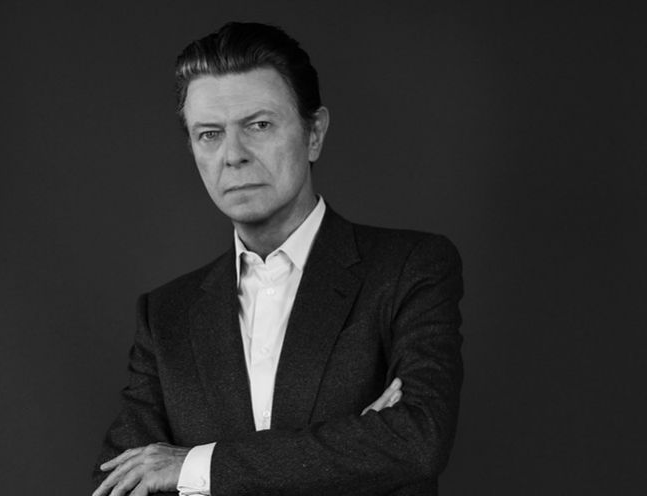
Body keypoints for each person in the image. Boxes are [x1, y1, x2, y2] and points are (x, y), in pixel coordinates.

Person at [92, 21, 463, 496]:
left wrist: (193, 467)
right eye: (209, 134)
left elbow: (416, 441)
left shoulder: (409, 268)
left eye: (259, 125)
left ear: (314, 133)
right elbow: (117, 485)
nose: (233, 155)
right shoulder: (165, 315)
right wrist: (355, 453)